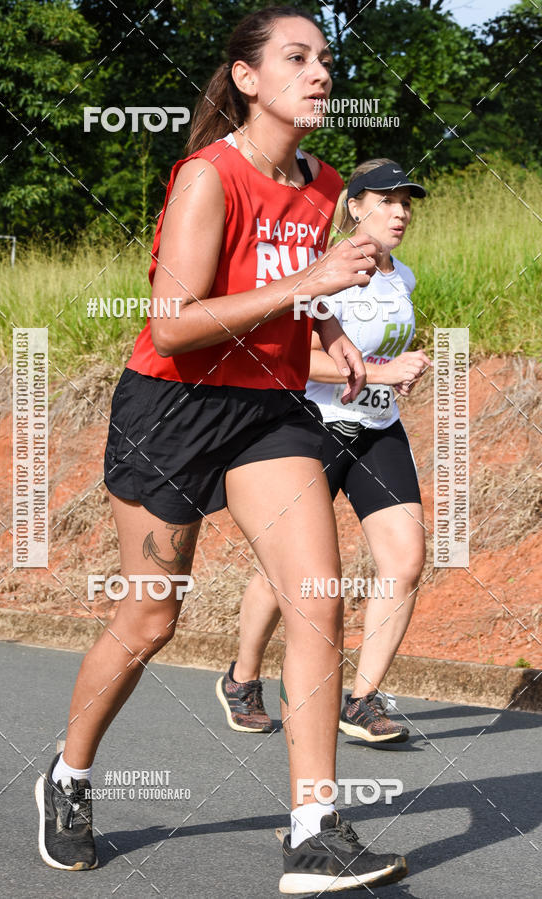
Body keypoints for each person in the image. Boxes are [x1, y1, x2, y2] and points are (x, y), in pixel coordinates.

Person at [35, 8, 408, 893]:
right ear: (247, 79)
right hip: (173, 408)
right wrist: (309, 282)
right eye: (297, 58)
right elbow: (173, 324)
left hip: (267, 414)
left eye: (325, 58)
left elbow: (285, 288)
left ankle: (313, 830)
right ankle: (70, 774)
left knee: (316, 600)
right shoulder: (209, 177)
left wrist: (327, 327)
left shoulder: (321, 184)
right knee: (150, 618)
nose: (320, 72)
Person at [217, 157, 431, 745]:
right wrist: (383, 371)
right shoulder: (322, 270)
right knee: (285, 569)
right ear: (355, 205)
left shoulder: (401, 275)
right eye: (386, 200)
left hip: (377, 429)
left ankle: (359, 701)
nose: (400, 212)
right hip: (312, 425)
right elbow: (286, 358)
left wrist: (396, 376)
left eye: (406, 202)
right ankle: (241, 678)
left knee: (406, 559)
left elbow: (380, 361)